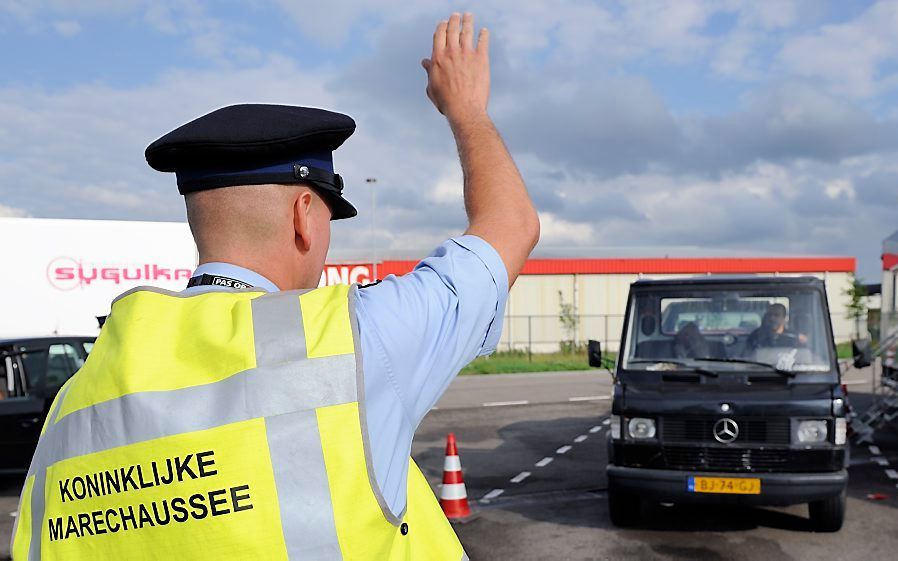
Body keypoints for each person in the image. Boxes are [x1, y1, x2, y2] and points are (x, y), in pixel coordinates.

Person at [11, 12, 538, 560]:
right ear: (303, 216)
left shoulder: (77, 404)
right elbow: (510, 227)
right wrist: (468, 110)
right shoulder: (354, 340)